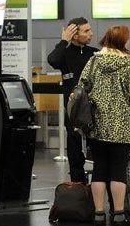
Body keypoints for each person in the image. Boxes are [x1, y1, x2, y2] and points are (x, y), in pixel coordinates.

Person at [78, 26, 130, 225]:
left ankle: (99, 212)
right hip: (122, 125)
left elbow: (82, 87)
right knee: (118, 169)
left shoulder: (93, 61)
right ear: (122, 42)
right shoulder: (129, 64)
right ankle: (118, 212)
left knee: (99, 168)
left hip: (96, 123)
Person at [47, 17, 98, 183]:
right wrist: (63, 41)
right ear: (75, 36)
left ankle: (97, 188)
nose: (91, 33)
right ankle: (78, 188)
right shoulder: (64, 54)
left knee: (98, 151)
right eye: (86, 31)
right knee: (75, 153)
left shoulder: (94, 54)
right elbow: (52, 60)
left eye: (90, 30)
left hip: (95, 110)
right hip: (73, 112)